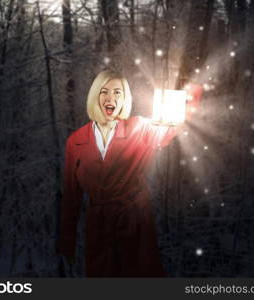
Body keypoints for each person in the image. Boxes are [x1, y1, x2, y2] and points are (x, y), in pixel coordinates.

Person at [57, 69, 181, 277]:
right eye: (104, 91)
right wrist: (67, 242)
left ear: (125, 98)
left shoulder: (139, 128)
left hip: (134, 221)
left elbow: (168, 131)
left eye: (117, 92)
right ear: (95, 96)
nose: (110, 97)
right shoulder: (75, 141)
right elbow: (71, 197)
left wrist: (184, 95)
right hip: (99, 227)